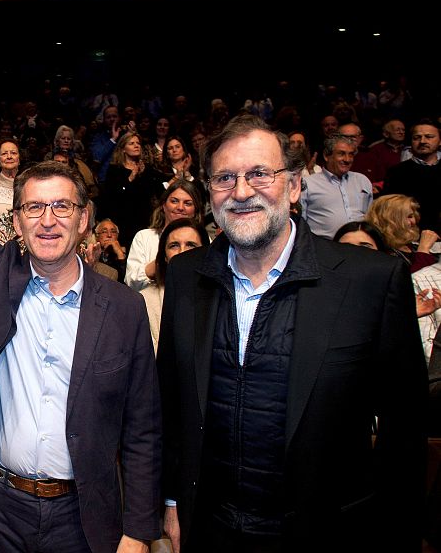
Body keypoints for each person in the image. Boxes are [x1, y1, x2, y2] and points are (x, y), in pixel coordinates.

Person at [0, 0, 161, 553]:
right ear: (13, 221)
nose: (48, 219)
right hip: (1, 509)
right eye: (34, 208)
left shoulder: (123, 307)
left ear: (85, 218)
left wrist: (139, 530)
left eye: (62, 207)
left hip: (85, 515)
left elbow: (142, 428)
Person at [158, 114, 427, 552]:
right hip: (212, 528)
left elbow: (405, 432)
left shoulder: (371, 281)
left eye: (259, 173)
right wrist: (172, 499)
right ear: (209, 192)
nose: (242, 192)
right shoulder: (188, 276)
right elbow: (173, 404)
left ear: (295, 185)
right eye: (225, 178)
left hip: (328, 532)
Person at [124, 180, 205, 292]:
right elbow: (130, 282)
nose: (180, 207)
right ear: (163, 205)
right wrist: (162, 262)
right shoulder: (144, 237)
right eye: (174, 201)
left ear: (195, 210)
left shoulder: (204, 239)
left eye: (187, 203)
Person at [142, 219, 208, 353]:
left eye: (191, 245)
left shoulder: (220, 295)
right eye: (174, 245)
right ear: (164, 256)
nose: (182, 252)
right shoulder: (144, 300)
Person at [299, 134, 373, 238]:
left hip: (361, 247)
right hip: (325, 249)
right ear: (326, 156)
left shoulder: (362, 181)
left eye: (351, 154)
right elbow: (300, 224)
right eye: (341, 154)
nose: (347, 159)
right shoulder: (308, 184)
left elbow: (370, 218)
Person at [382, 120, 441, 234]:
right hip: (409, 238)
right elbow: (389, 212)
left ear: (440, 141)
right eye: (417, 137)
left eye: (429, 137)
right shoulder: (396, 173)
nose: (422, 141)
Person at [366, 194, 439, 273]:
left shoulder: (411, 246)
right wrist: (424, 249)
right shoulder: (381, 252)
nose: (413, 221)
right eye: (408, 217)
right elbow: (407, 281)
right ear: (390, 221)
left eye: (412, 216)